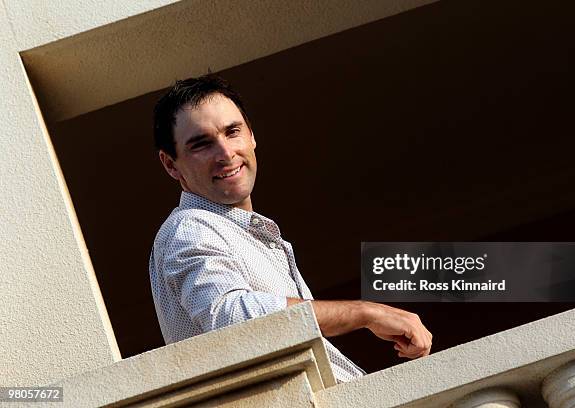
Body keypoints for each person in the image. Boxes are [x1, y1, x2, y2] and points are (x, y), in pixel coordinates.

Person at [149, 74, 432, 383]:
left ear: (252, 136)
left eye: (232, 132)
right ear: (170, 164)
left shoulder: (245, 233)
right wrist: (365, 313)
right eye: (201, 144)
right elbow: (231, 318)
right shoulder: (189, 228)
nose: (225, 153)